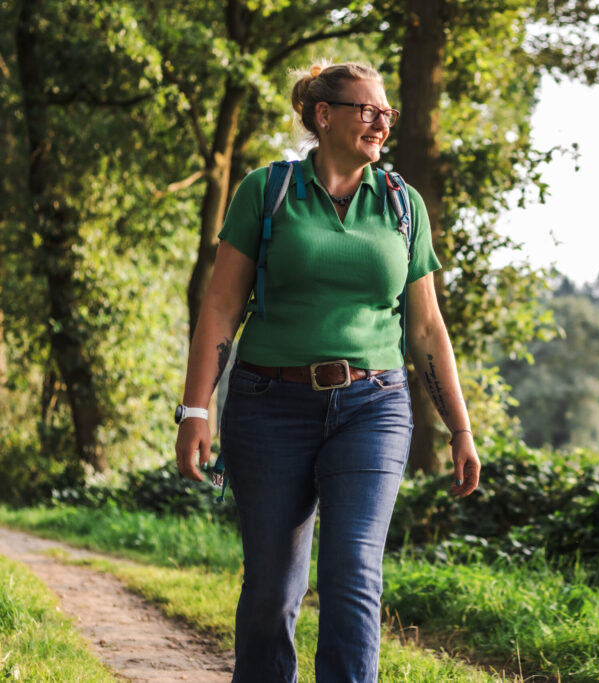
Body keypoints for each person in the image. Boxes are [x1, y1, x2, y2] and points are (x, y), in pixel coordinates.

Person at [174, 62, 480, 683]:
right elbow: (222, 307)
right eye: (368, 109)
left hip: (374, 405)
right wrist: (195, 410)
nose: (381, 122)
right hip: (268, 404)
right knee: (270, 592)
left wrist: (460, 428)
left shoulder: (401, 204)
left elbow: (425, 328)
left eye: (387, 113)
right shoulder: (268, 189)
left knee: (353, 576)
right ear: (323, 114)